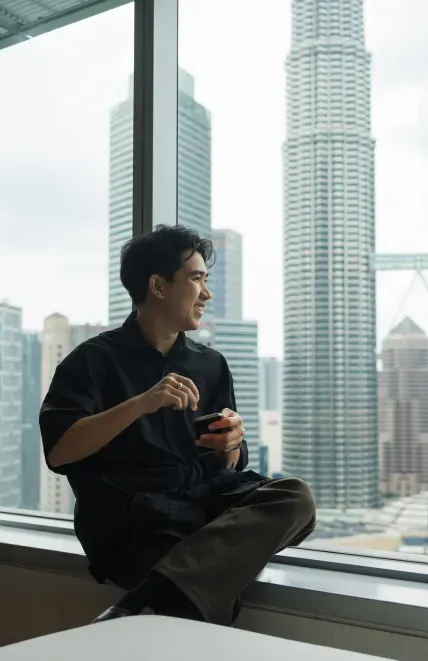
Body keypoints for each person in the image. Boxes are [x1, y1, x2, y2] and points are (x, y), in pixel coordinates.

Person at [39, 225, 316, 626]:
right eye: (196, 279)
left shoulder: (211, 364)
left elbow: (228, 466)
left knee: (296, 498)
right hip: (135, 525)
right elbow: (59, 451)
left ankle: (143, 599)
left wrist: (230, 447)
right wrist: (142, 402)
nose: (207, 294)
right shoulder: (91, 361)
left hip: (203, 507)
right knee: (206, 600)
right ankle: (165, 590)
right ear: (158, 286)